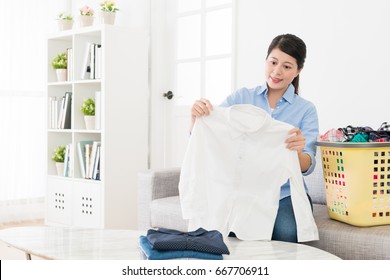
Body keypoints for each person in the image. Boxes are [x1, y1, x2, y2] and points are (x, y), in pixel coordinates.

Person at [190, 33, 319, 243]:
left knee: (286, 233)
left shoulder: (305, 110)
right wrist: (196, 117)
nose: (277, 71)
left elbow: (308, 165)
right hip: (243, 189)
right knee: (224, 230)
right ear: (266, 60)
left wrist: (297, 151)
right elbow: (212, 134)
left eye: (287, 66)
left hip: (284, 193)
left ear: (298, 71)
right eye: (273, 62)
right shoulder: (241, 98)